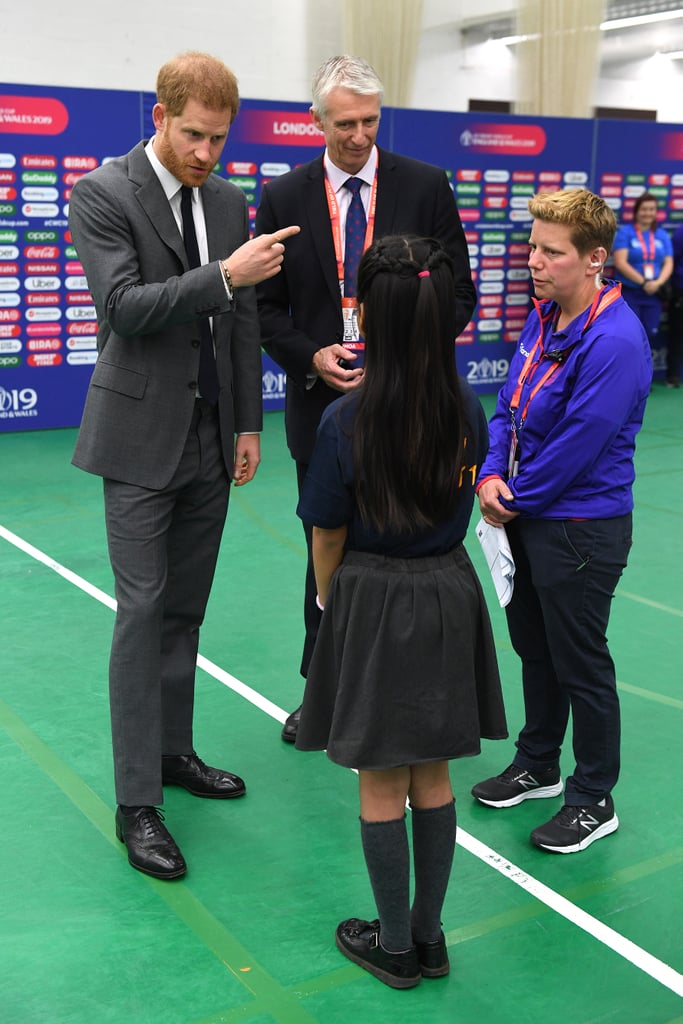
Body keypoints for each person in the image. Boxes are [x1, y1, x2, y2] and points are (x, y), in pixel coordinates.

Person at [69, 51, 299, 879]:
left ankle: (173, 754)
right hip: (136, 440)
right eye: (194, 136)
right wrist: (223, 275)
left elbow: (238, 328)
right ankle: (138, 804)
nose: (207, 153)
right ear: (159, 117)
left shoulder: (229, 200)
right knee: (141, 613)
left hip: (211, 438)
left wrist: (247, 424)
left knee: (184, 612)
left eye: (218, 139)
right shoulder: (102, 193)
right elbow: (124, 310)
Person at [295, 235, 507, 989]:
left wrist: (329, 598)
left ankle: (391, 945)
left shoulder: (344, 423)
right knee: (433, 774)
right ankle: (429, 936)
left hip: (375, 600)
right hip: (449, 592)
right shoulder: (466, 409)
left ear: (369, 322)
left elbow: (327, 530)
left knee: (381, 778)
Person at [254, 55, 476, 744]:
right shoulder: (284, 195)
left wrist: (402, 357)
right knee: (328, 549)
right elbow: (264, 309)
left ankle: (416, 693)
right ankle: (321, 691)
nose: (357, 136)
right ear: (315, 122)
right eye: (344, 123)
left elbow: (458, 296)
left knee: (412, 554)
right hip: (322, 409)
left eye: (369, 122)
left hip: (413, 409)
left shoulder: (424, 185)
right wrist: (311, 356)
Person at [472, 188, 652, 854]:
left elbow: (578, 444)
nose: (534, 262)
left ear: (594, 258)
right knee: (534, 648)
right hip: (523, 510)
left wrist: (510, 496)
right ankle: (538, 762)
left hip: (579, 527)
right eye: (531, 247)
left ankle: (591, 797)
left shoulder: (614, 341)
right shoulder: (542, 317)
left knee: (580, 662)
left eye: (551, 252)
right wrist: (490, 473)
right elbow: (507, 408)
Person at [612, 191, 673, 355]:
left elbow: (668, 262)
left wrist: (657, 283)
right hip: (631, 292)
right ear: (637, 211)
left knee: (649, 336)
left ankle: (644, 376)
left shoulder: (661, 235)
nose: (648, 213)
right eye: (644, 209)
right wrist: (644, 282)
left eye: (652, 209)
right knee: (629, 336)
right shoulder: (626, 232)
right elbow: (620, 262)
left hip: (654, 294)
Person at [665, 221, 683, 387]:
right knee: (677, 334)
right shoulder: (681, 232)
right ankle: (673, 375)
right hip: (680, 290)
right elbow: (674, 259)